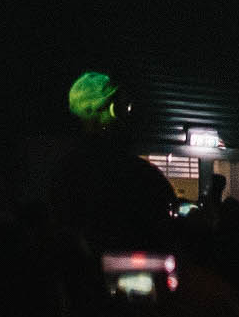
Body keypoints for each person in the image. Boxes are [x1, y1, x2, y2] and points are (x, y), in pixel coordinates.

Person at [50, 71, 175, 252]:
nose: (128, 113)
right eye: (122, 106)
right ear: (107, 110)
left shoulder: (65, 170)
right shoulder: (141, 174)